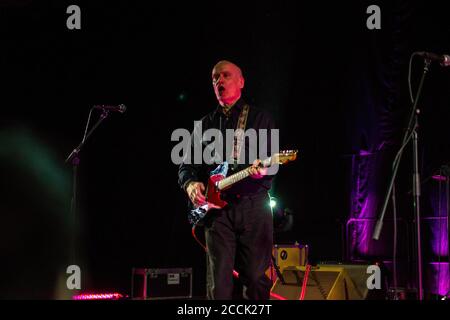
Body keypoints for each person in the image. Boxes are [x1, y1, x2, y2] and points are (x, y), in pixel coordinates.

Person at [178, 60, 277, 299]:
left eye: (225, 76)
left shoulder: (260, 119)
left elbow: (272, 162)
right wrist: (190, 184)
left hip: (253, 207)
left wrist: (264, 171)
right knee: (219, 286)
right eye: (214, 78)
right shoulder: (204, 124)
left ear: (241, 82)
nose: (219, 81)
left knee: (255, 279)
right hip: (217, 212)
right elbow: (186, 166)